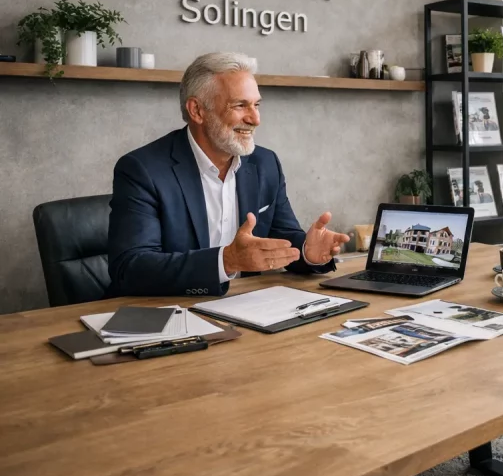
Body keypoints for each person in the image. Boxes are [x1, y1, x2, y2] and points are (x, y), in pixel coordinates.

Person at [107, 52, 347, 297]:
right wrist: (226, 261)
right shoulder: (142, 169)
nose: (255, 119)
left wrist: (308, 251)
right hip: (167, 315)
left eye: (257, 105)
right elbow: (131, 268)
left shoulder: (265, 164)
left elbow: (280, 238)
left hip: (244, 307)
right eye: (240, 105)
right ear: (197, 110)